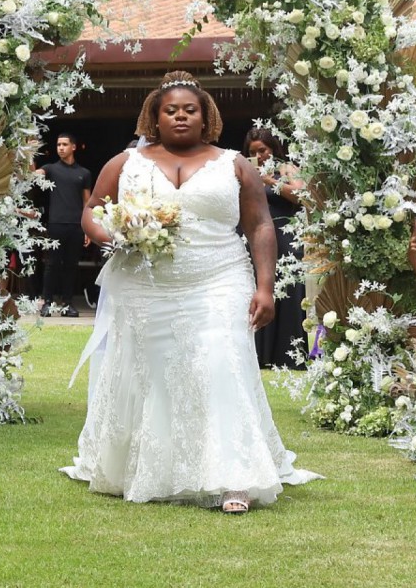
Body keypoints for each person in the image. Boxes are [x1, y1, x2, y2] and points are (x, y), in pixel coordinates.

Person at [61, 71, 321, 513]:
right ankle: (152, 466)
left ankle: (235, 476)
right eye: (170, 110)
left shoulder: (235, 163)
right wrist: (111, 234)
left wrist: (265, 286)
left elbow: (259, 224)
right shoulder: (125, 164)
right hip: (147, 283)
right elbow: (93, 211)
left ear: (206, 118)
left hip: (218, 276)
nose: (180, 116)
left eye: (190, 110)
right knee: (153, 373)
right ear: (154, 118)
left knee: (222, 362)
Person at [244, 127, 306, 368]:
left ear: (273, 149)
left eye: (263, 150)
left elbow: (302, 196)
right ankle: (259, 356)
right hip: (255, 241)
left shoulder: (286, 169)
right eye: (253, 152)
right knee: (257, 290)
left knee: (288, 291)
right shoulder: (247, 173)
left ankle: (288, 356)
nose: (259, 156)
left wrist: (269, 180)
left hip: (286, 238)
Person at [37, 133, 92, 317]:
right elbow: (32, 176)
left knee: (71, 265)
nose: (60, 147)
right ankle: (47, 302)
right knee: (52, 264)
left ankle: (68, 304)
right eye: (58, 144)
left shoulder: (84, 173)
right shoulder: (50, 168)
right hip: (56, 224)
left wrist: (88, 228)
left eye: (64, 144)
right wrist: (29, 154)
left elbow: (87, 203)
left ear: (73, 147)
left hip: (76, 225)